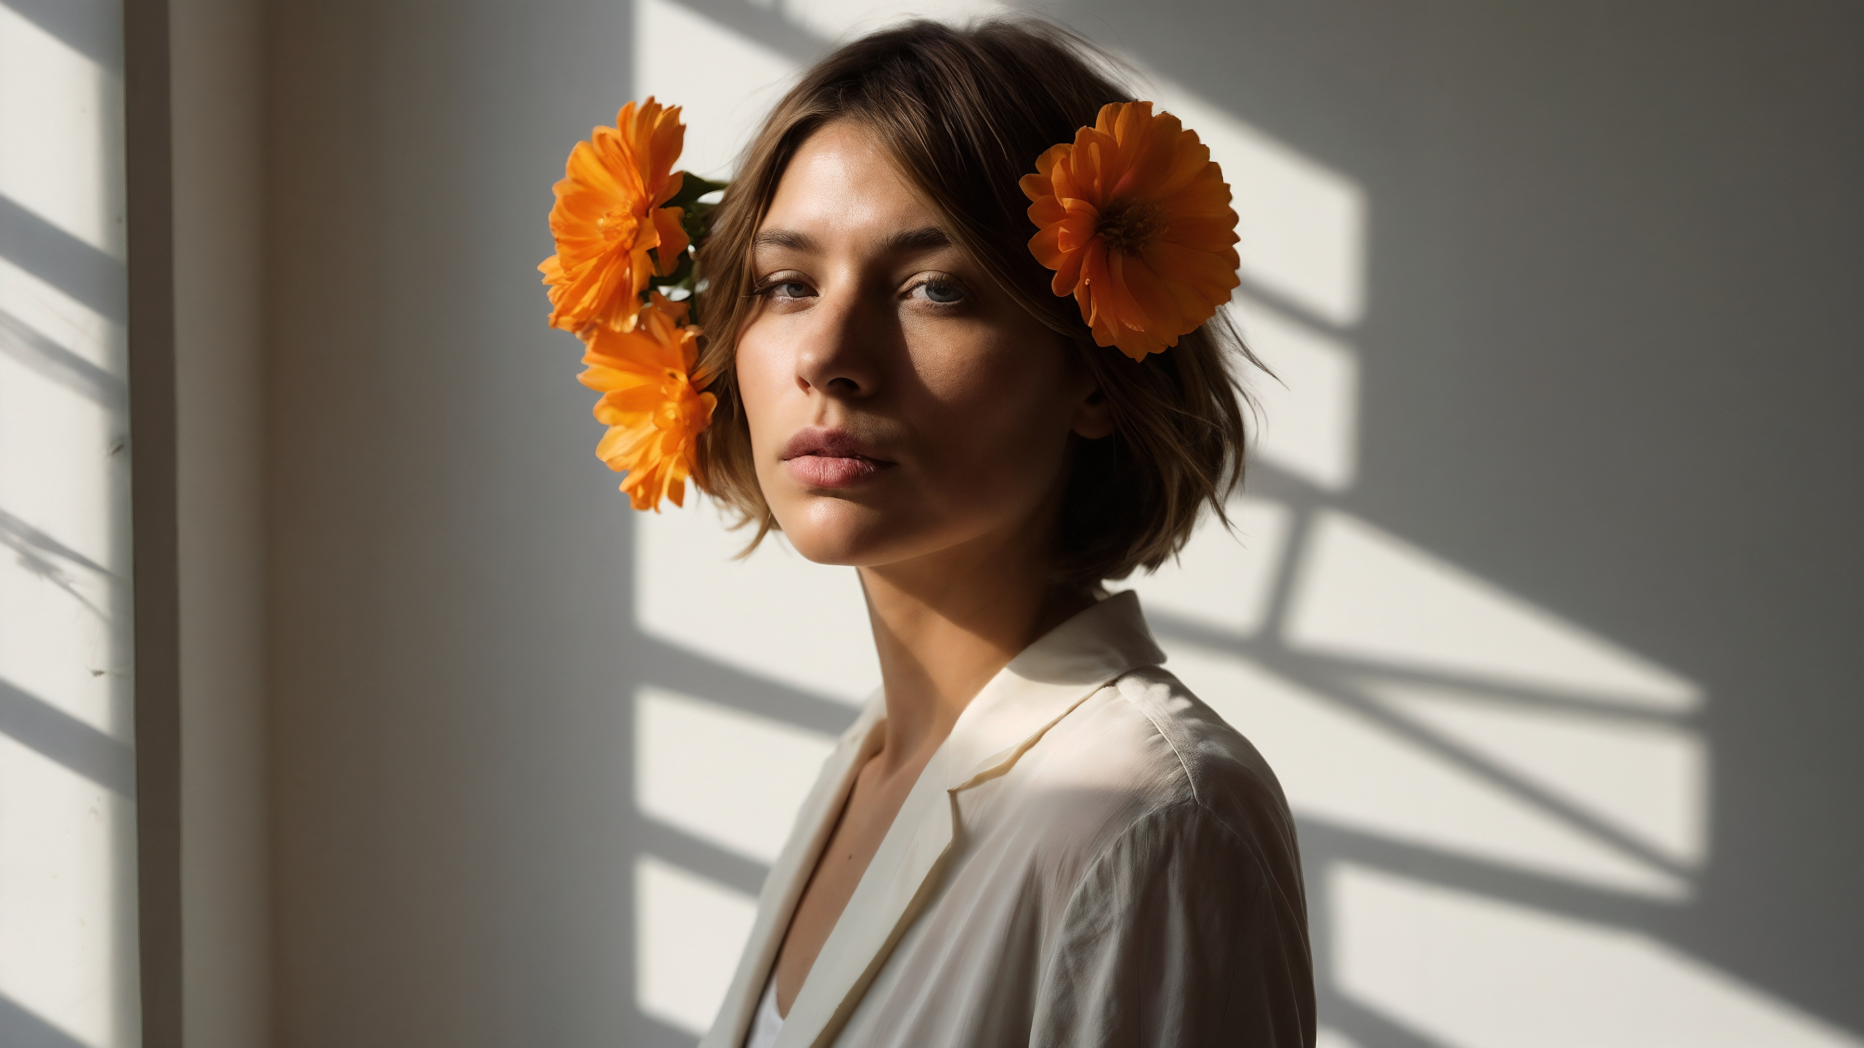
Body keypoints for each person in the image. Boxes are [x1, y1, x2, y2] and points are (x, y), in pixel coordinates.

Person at [592, 17, 1314, 1048]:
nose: (826, 357)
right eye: (788, 284)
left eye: (936, 289)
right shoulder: (866, 765)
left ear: (1096, 371)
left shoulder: (1152, 818)